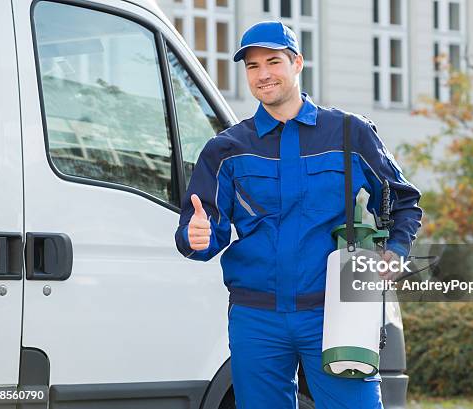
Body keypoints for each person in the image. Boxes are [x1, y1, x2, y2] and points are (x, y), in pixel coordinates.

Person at [175, 21, 423, 409]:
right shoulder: (227, 149)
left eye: (273, 62)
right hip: (257, 318)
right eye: (253, 66)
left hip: (336, 312)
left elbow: (404, 200)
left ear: (297, 63)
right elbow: (203, 229)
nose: (264, 74)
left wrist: (396, 248)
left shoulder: (347, 134)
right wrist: (195, 239)